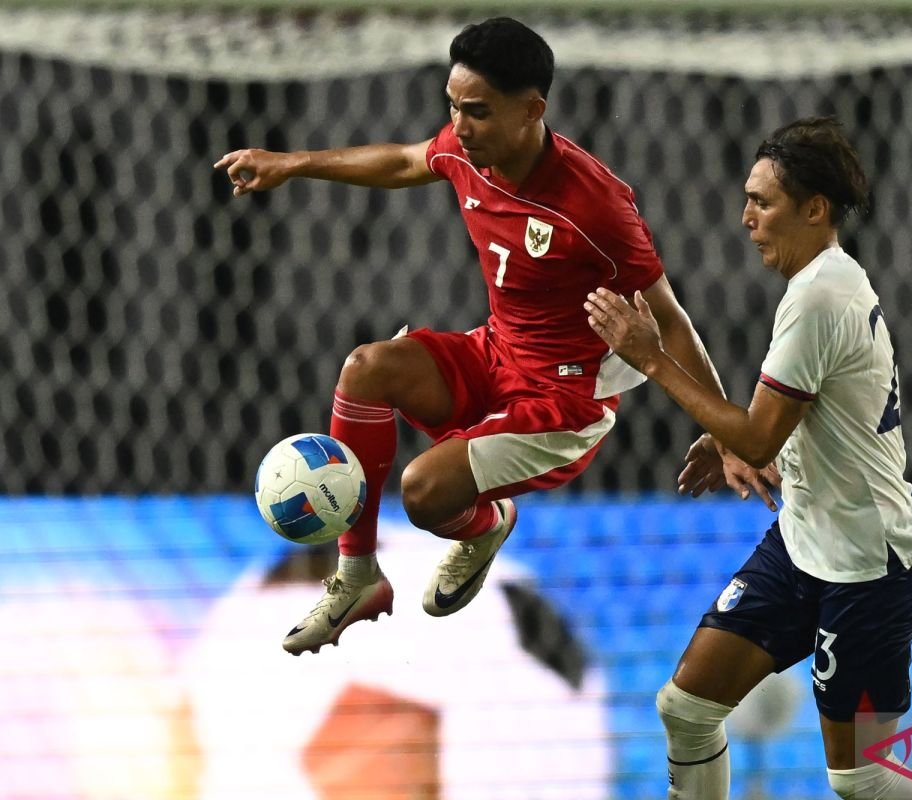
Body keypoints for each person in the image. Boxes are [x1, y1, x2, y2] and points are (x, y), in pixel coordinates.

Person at [214, 17, 729, 655]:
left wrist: (723, 429)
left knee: (424, 493)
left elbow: (671, 319)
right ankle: (358, 575)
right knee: (366, 368)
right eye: (453, 106)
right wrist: (293, 163)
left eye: (478, 111)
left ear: (532, 109)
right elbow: (406, 160)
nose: (459, 126)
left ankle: (485, 526)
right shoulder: (467, 150)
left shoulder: (594, 207)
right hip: (495, 352)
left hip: (563, 403)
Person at [585, 117, 912, 799]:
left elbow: (758, 436)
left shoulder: (820, 297)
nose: (746, 217)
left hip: (867, 568)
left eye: (763, 201)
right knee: (686, 708)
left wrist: (649, 356)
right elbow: (790, 426)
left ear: (814, 209)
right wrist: (740, 441)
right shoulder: (823, 283)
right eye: (747, 199)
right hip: (803, 544)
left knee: (863, 780)